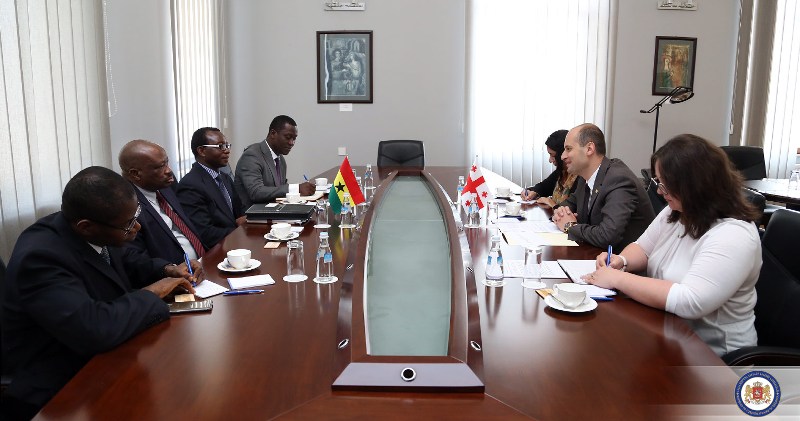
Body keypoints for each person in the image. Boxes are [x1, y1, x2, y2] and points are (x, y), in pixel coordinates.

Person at [0, 166, 198, 420]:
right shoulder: (40, 258)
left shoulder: (96, 227)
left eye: (136, 215)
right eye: (128, 224)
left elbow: (125, 260)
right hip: (61, 389)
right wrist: (153, 292)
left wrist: (167, 269)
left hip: (106, 358)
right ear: (86, 227)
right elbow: (95, 328)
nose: (137, 227)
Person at [584, 134, 762, 356]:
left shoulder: (734, 235)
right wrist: (621, 261)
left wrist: (617, 278)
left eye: (665, 184)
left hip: (714, 355)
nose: (659, 191)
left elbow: (690, 301)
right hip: (668, 333)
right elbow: (643, 248)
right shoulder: (678, 211)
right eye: (658, 182)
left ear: (694, 185)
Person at [552, 123, 654, 250]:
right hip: (596, 254)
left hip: (622, 259)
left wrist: (570, 226)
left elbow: (608, 236)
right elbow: (568, 204)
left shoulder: (618, 179)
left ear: (589, 149)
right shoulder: (585, 176)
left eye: (568, 149)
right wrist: (560, 212)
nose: (562, 156)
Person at [119, 140, 207, 267]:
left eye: (166, 162)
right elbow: (133, 258)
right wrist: (169, 268)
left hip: (204, 261)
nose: (169, 170)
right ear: (136, 174)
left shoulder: (165, 183)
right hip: (176, 274)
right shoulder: (126, 206)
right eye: (159, 167)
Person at [177, 127, 245, 247]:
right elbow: (204, 232)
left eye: (227, 145)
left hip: (237, 243)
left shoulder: (225, 178)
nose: (227, 150)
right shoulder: (190, 185)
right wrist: (240, 231)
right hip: (218, 249)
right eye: (220, 146)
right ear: (201, 151)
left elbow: (240, 213)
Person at [234, 115, 315, 208]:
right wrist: (296, 188)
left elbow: (279, 188)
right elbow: (256, 192)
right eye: (288, 137)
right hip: (253, 213)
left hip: (275, 209)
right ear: (273, 133)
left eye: (294, 138)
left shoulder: (280, 159)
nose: (291, 143)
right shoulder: (252, 155)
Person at [520, 129, 578, 207]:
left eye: (552, 155)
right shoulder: (561, 171)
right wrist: (532, 191)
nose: (550, 160)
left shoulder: (580, 178)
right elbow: (544, 186)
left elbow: (572, 209)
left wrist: (551, 203)